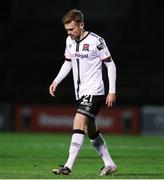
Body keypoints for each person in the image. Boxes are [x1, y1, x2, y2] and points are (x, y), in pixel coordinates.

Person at [49, 9, 117, 176]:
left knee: (78, 121)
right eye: (67, 30)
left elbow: (110, 64)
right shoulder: (69, 41)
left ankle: (68, 166)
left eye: (71, 29)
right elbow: (68, 63)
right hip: (80, 92)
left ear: (81, 25)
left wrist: (112, 91)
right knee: (90, 130)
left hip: (94, 90)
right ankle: (109, 164)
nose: (69, 33)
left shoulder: (96, 41)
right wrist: (56, 81)